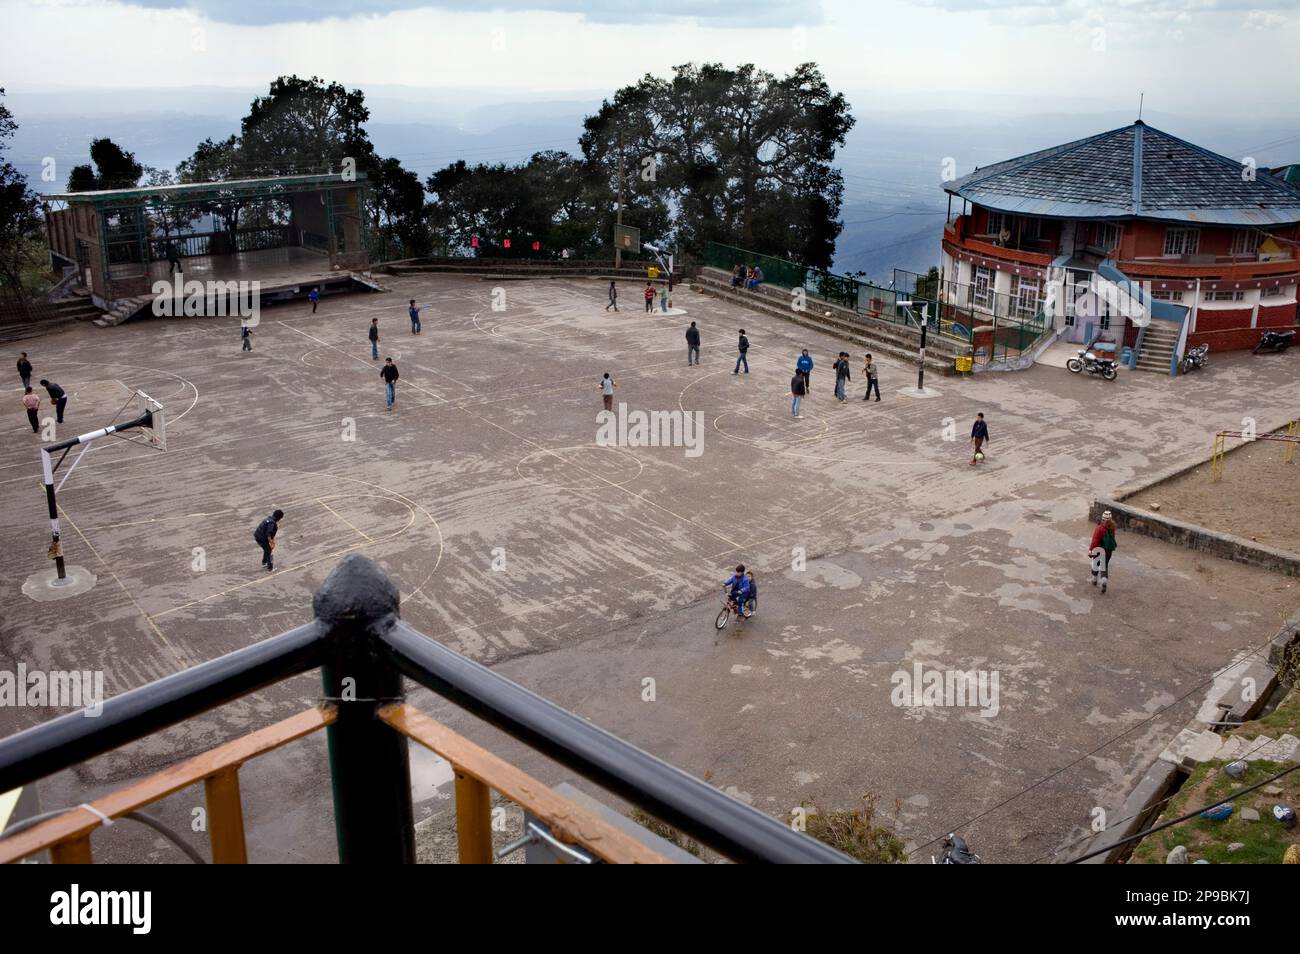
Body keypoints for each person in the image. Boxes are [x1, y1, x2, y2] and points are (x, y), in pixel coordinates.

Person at [1089, 510, 1118, 593]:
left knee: (1095, 564)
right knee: (1104, 565)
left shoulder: (1099, 528)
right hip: (1108, 551)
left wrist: (1091, 550)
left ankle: (1094, 580)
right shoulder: (1113, 527)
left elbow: (1095, 541)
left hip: (1099, 550)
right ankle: (1104, 580)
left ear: (1102, 519)